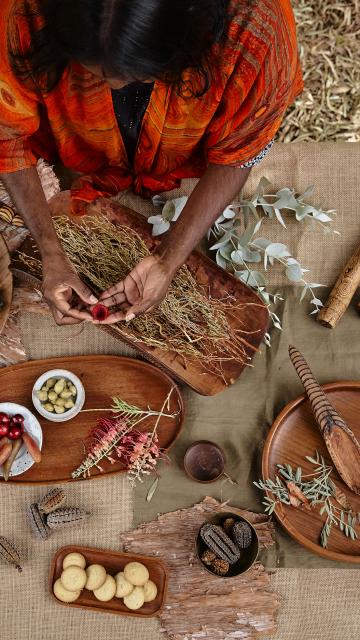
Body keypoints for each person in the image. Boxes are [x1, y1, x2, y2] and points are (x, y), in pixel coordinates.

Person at [0, 0, 303, 326]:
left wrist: (168, 257)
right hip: (72, 143)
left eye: (134, 75)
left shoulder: (257, 30)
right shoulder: (21, 12)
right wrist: (51, 252)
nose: (115, 85)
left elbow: (240, 149)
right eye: (95, 71)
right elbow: (7, 136)